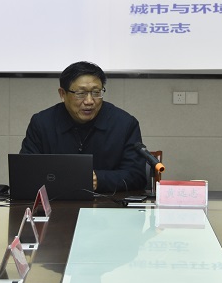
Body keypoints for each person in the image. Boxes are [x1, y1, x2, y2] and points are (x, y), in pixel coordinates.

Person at [20, 61, 147, 193]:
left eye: (96, 92)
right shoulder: (42, 123)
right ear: (62, 94)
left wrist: (98, 179)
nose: (89, 101)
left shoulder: (124, 124)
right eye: (80, 93)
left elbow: (137, 176)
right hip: (56, 202)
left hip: (109, 203)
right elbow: (25, 172)